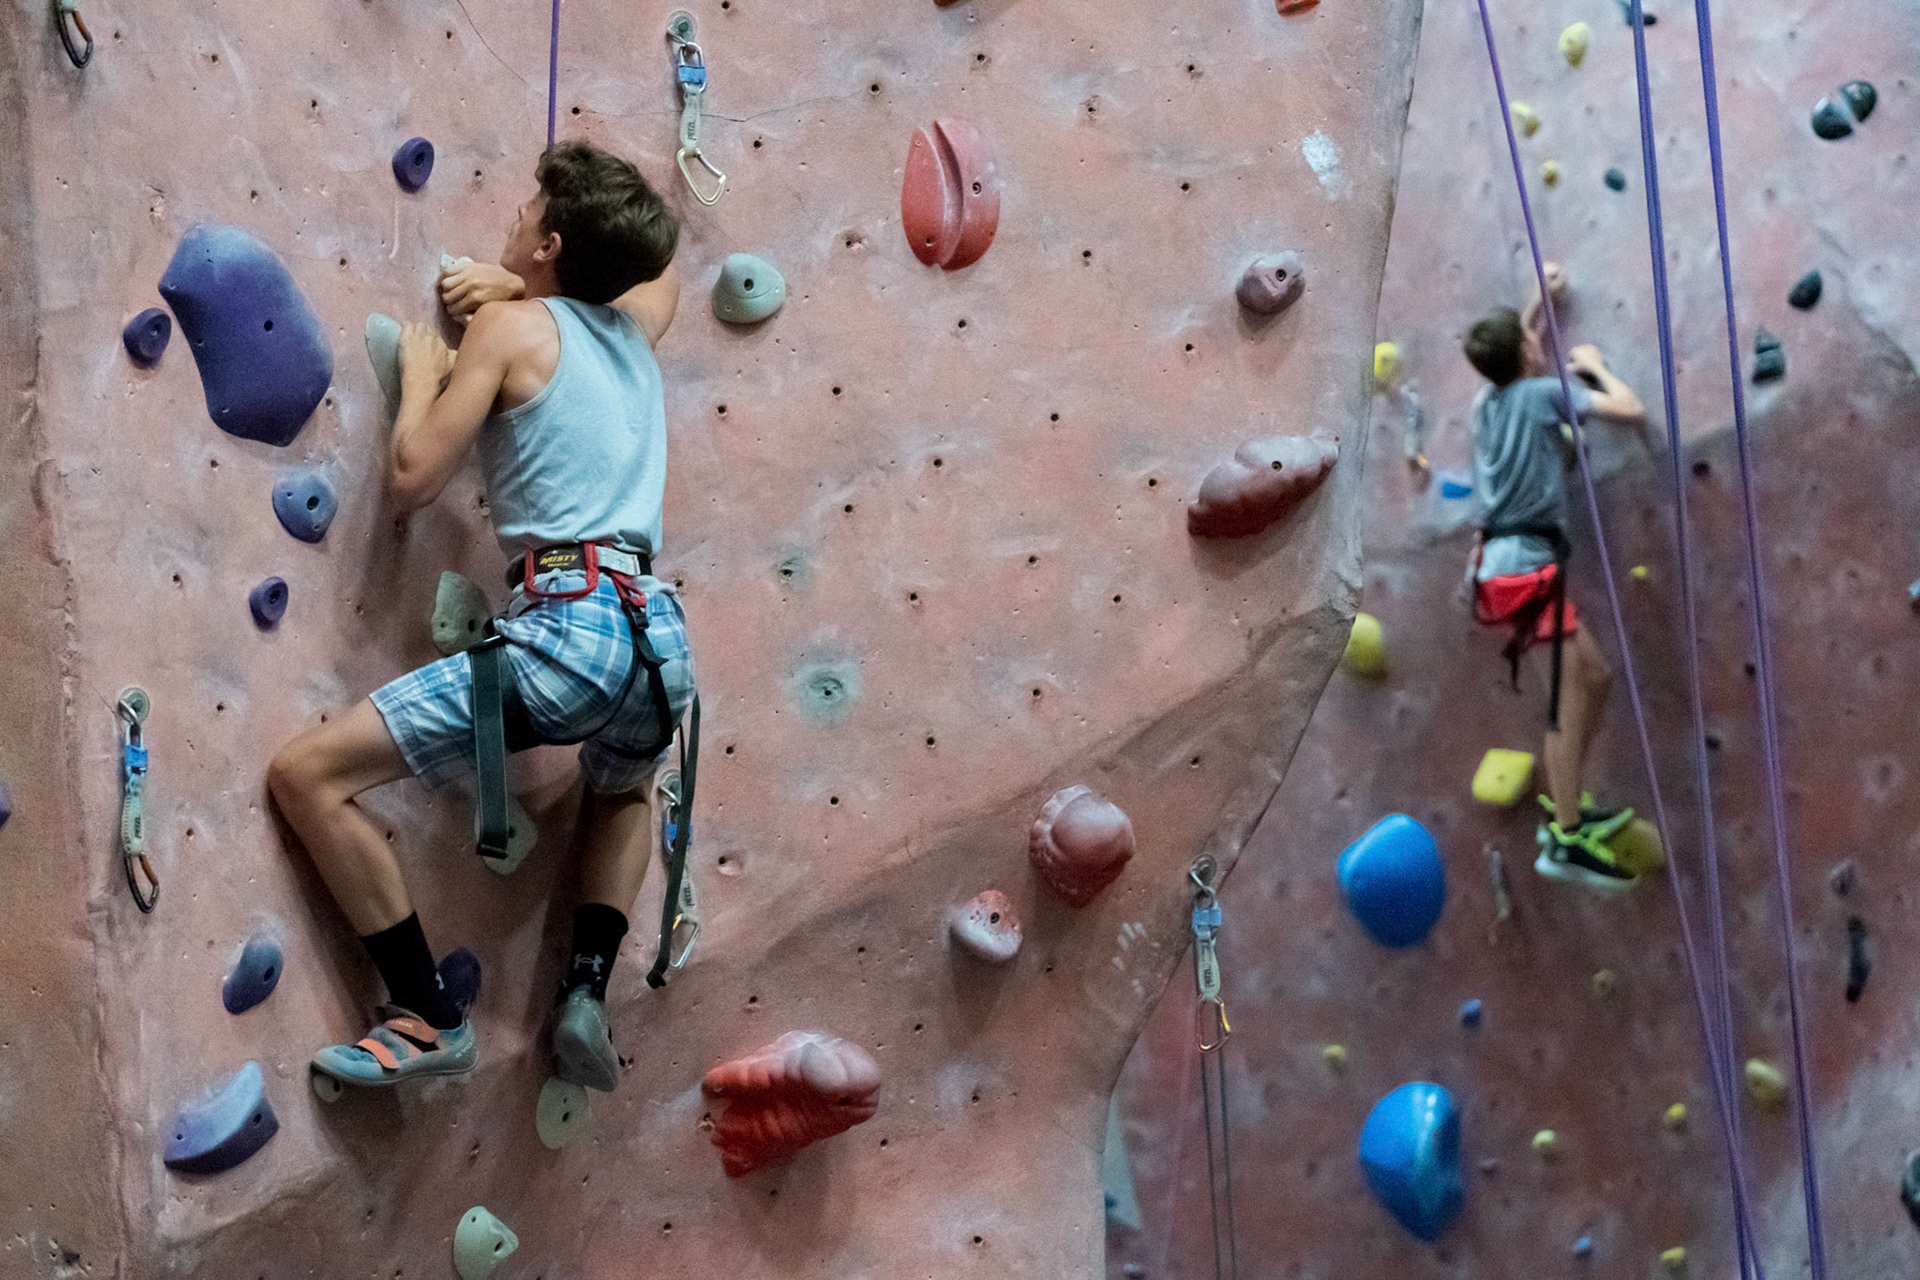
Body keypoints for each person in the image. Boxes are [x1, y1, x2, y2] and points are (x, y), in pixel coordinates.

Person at [267, 141, 693, 1092]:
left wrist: (424, 373)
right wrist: (532, 271)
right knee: (623, 789)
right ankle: (586, 986)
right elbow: (662, 262)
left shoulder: (508, 328)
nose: (508, 222)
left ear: (545, 245)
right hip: (659, 640)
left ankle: (424, 1012)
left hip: (569, 627)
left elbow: (414, 480)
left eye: (522, 214)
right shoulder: (635, 327)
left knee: (307, 776)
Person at [1461, 273, 1648, 891]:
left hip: (1508, 565)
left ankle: (1566, 804)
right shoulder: (1544, 395)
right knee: (1575, 695)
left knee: (1592, 682)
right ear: (1525, 355)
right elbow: (1631, 409)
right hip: (1521, 569)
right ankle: (1564, 838)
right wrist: (1593, 366)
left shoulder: (1485, 403)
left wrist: (1539, 300)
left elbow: (1513, 346)